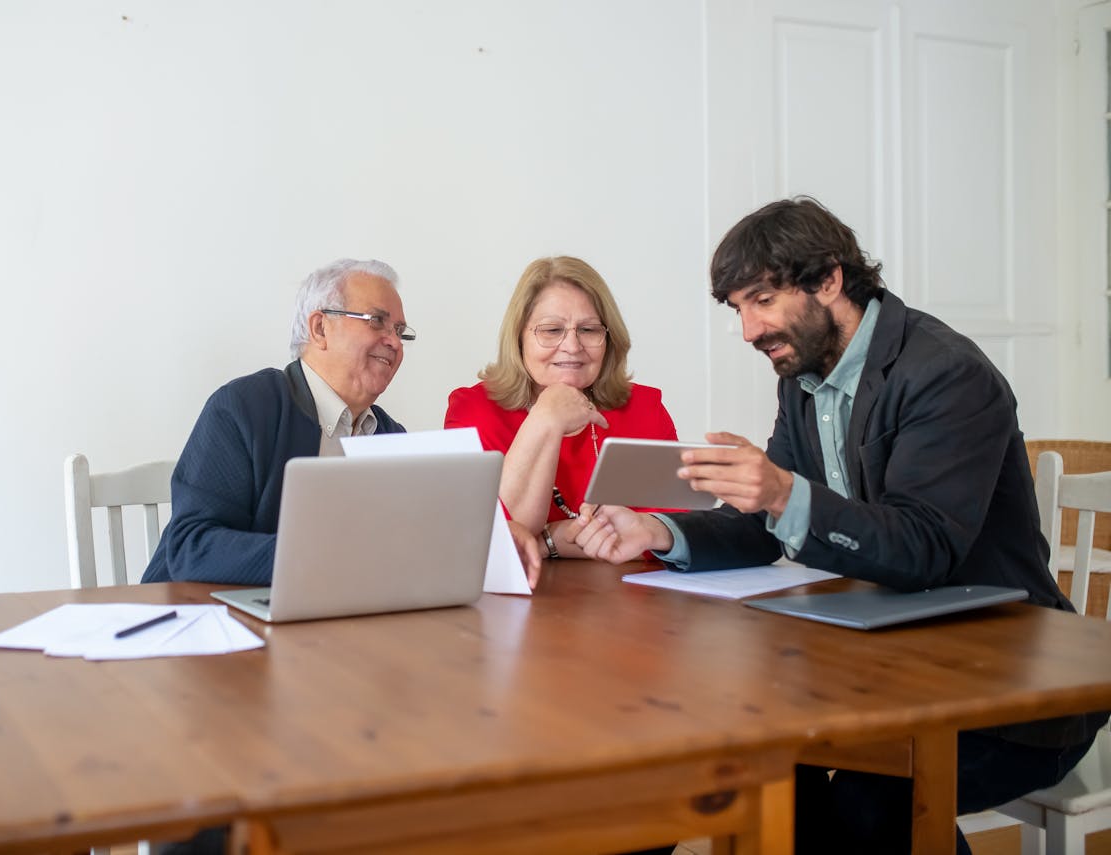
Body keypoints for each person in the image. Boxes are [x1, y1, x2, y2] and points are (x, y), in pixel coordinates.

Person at [571, 198, 1107, 855]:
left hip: (1011, 684)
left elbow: (926, 547)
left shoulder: (945, 374)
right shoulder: (803, 376)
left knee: (871, 797)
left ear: (829, 280)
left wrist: (786, 491)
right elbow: (772, 521)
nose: (747, 328)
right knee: (775, 769)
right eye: (737, 308)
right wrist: (661, 533)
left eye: (762, 298)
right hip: (893, 659)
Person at [143, 257, 540, 587]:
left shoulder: (388, 435)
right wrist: (328, 557)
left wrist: (496, 541)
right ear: (320, 328)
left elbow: (414, 540)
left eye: (400, 331)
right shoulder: (243, 408)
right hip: (192, 634)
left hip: (314, 634)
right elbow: (191, 547)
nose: (395, 342)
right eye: (377, 321)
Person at [445, 255, 678, 561]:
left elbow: (671, 534)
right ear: (518, 339)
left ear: (609, 339)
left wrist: (548, 540)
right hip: (523, 600)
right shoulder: (474, 410)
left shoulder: (644, 409)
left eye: (589, 330)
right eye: (552, 330)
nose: (572, 346)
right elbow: (493, 545)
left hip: (639, 599)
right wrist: (546, 418)